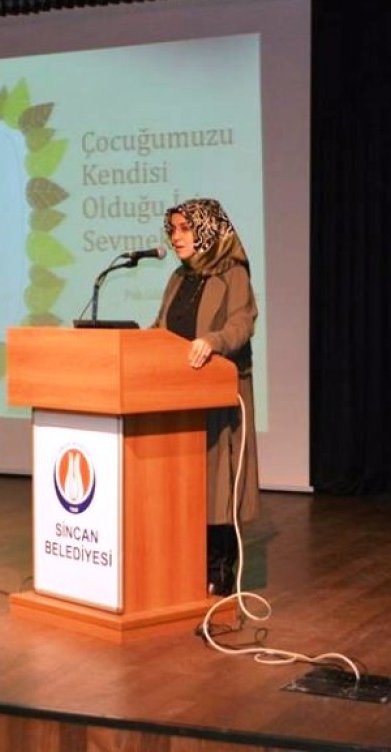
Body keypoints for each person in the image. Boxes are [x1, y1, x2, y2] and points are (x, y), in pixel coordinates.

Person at [152, 197, 260, 596]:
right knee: (184, 484)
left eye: (185, 228)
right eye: (172, 230)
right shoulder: (178, 278)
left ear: (208, 230)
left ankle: (220, 570)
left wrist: (213, 341)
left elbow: (242, 322)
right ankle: (183, 565)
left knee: (217, 485)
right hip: (180, 397)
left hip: (219, 394)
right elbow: (161, 328)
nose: (176, 237)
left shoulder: (232, 273)